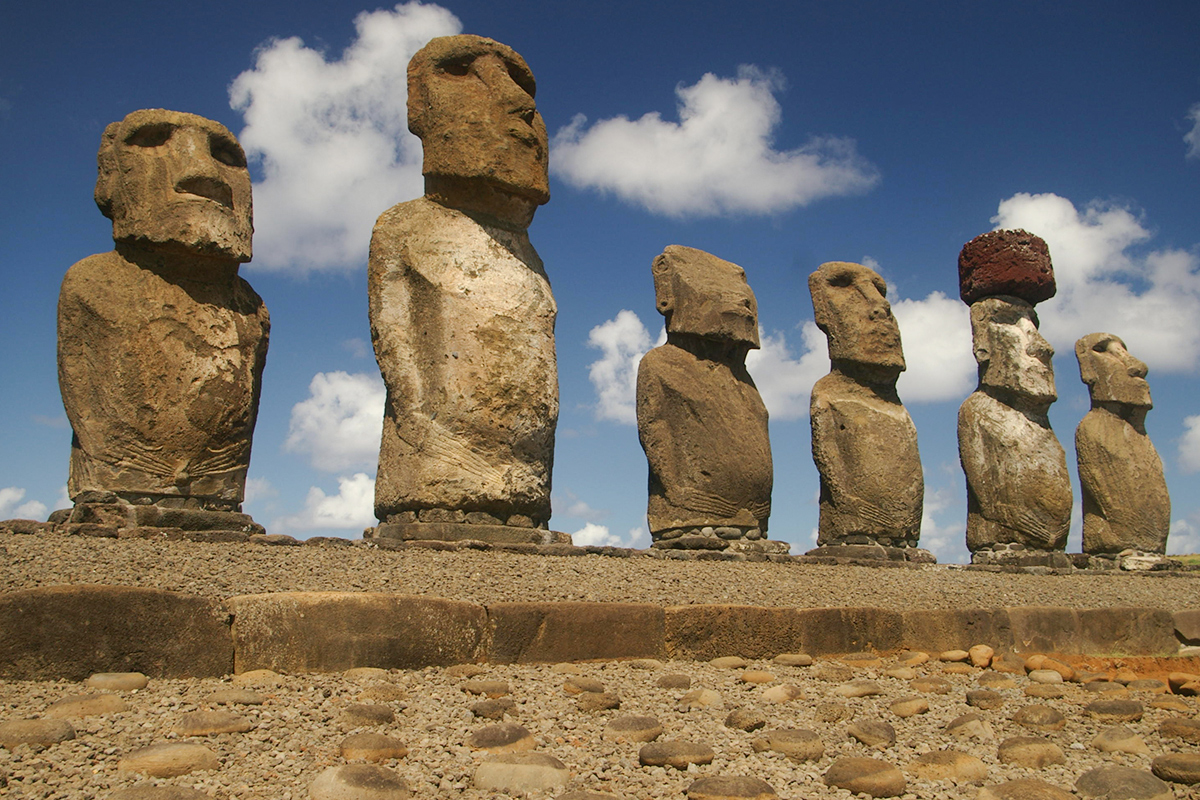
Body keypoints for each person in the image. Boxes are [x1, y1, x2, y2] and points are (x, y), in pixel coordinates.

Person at [369, 36, 557, 534]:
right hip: (437, 463)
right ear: (419, 106)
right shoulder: (404, 226)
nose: (520, 103)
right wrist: (425, 436)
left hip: (525, 481)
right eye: (460, 72)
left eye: (519, 82)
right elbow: (395, 346)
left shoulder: (527, 253)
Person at [58, 109, 268, 513]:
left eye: (226, 155)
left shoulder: (250, 307)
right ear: (110, 179)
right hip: (120, 477)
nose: (202, 171)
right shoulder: (93, 282)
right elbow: (84, 399)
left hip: (217, 481)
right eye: (153, 140)